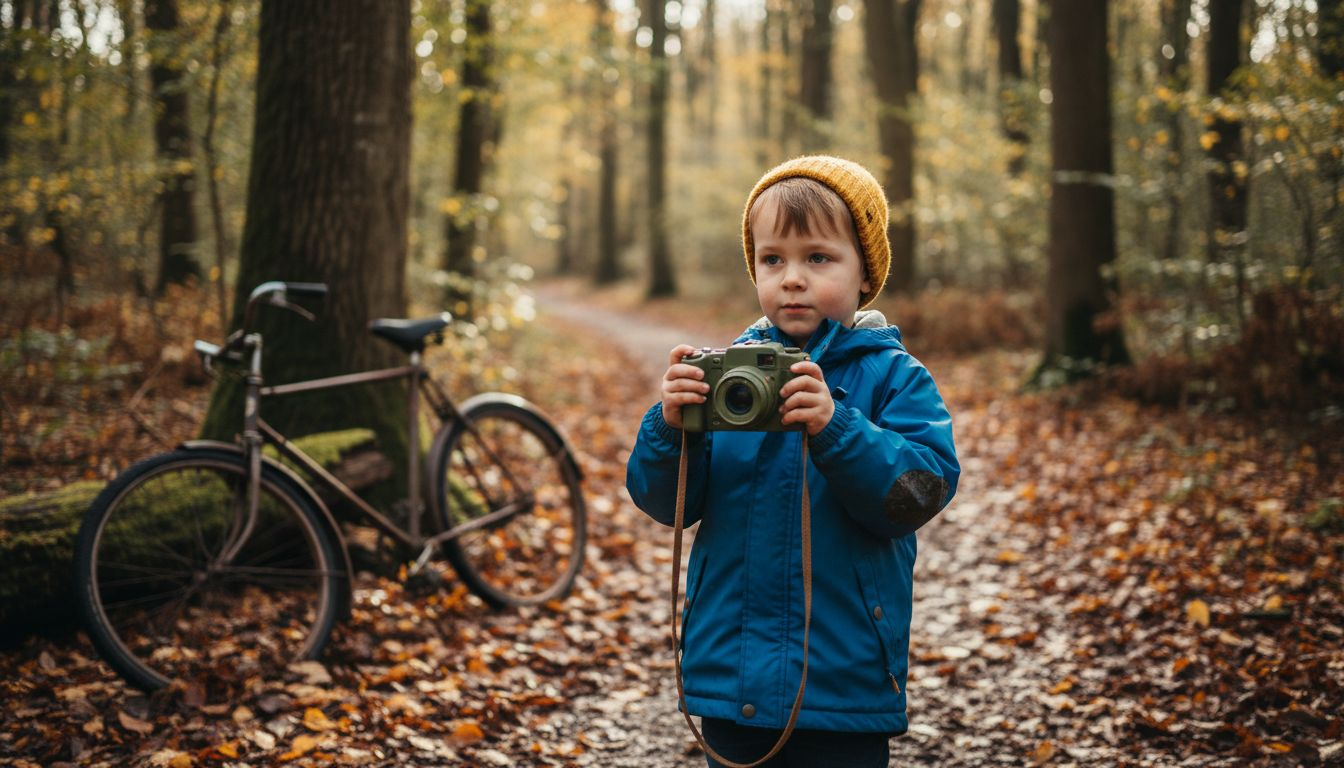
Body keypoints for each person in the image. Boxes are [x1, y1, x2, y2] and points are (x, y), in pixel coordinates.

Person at [625, 155, 961, 767]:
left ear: (865, 273)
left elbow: (917, 493)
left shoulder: (893, 378)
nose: (792, 279)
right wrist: (672, 429)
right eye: (773, 259)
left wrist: (837, 426)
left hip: (845, 680)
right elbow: (666, 504)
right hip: (734, 680)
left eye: (819, 258)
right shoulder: (731, 373)